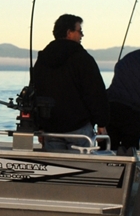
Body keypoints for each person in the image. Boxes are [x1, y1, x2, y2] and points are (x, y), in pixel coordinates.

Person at [31, 14, 109, 151]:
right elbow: (95, 92)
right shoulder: (82, 58)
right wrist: (102, 122)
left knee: (55, 169)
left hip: (50, 127)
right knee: (82, 168)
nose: (82, 35)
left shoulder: (42, 60)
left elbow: (35, 92)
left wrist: (40, 126)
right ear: (69, 32)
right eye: (80, 31)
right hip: (78, 128)